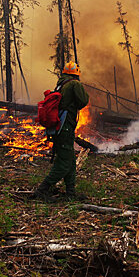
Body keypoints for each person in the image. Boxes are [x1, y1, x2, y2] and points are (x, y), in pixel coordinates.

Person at [34, 61, 89, 201]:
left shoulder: (60, 84)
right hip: (64, 127)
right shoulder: (74, 84)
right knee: (64, 161)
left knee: (70, 160)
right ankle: (42, 189)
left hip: (60, 127)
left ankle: (71, 193)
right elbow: (83, 101)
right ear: (77, 73)